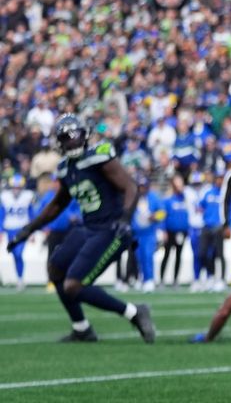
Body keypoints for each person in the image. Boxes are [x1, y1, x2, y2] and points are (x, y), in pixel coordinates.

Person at [6, 114, 155, 343]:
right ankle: (82, 328)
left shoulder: (99, 157)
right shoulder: (66, 168)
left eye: (75, 135)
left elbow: (131, 187)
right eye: (66, 137)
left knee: (74, 285)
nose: (72, 141)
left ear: (84, 136)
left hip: (112, 229)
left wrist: (125, 218)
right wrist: (28, 229)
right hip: (89, 228)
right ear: (59, 142)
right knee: (55, 269)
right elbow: (57, 204)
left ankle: (135, 312)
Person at [1, 174, 35, 290]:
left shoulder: (28, 196)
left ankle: (20, 279)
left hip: (22, 229)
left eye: (18, 187)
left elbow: (31, 215)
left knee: (19, 253)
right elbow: (2, 214)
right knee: (15, 255)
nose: (16, 190)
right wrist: (0, 230)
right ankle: (19, 278)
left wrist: (32, 231)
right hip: (9, 229)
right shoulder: (5, 197)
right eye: (14, 187)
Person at [160, 175, 190, 287]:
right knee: (167, 255)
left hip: (182, 232)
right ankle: (162, 279)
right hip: (170, 231)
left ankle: (175, 280)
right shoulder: (168, 200)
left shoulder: (185, 198)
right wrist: (163, 231)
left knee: (178, 256)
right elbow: (163, 216)